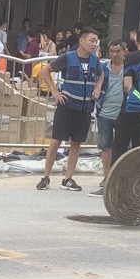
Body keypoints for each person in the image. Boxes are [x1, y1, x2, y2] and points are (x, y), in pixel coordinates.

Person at [38, 28, 105, 192]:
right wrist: (54, 91)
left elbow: (101, 74)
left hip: (84, 108)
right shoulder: (68, 57)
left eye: (96, 41)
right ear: (81, 41)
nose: (94, 44)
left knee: (76, 143)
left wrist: (97, 88)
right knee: (56, 141)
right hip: (67, 105)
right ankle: (46, 177)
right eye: (92, 40)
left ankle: (68, 179)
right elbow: (46, 70)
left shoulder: (95, 61)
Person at [93, 39, 128, 190]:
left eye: (117, 51)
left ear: (124, 51)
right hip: (105, 113)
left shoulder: (130, 69)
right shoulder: (102, 68)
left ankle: (121, 177)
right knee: (105, 146)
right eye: (111, 51)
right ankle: (107, 176)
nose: (114, 54)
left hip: (124, 114)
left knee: (123, 147)